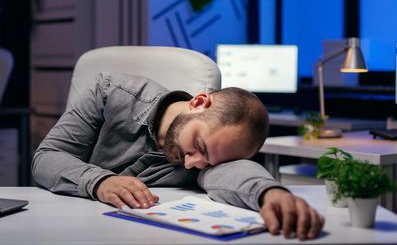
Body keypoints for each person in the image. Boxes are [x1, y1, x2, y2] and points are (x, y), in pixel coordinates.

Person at [33, 72, 324, 240]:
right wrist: (100, 182)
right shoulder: (110, 92)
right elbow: (46, 157)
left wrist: (270, 193)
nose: (191, 163)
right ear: (198, 102)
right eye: (200, 146)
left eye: (208, 162)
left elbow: (234, 172)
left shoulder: (205, 160)